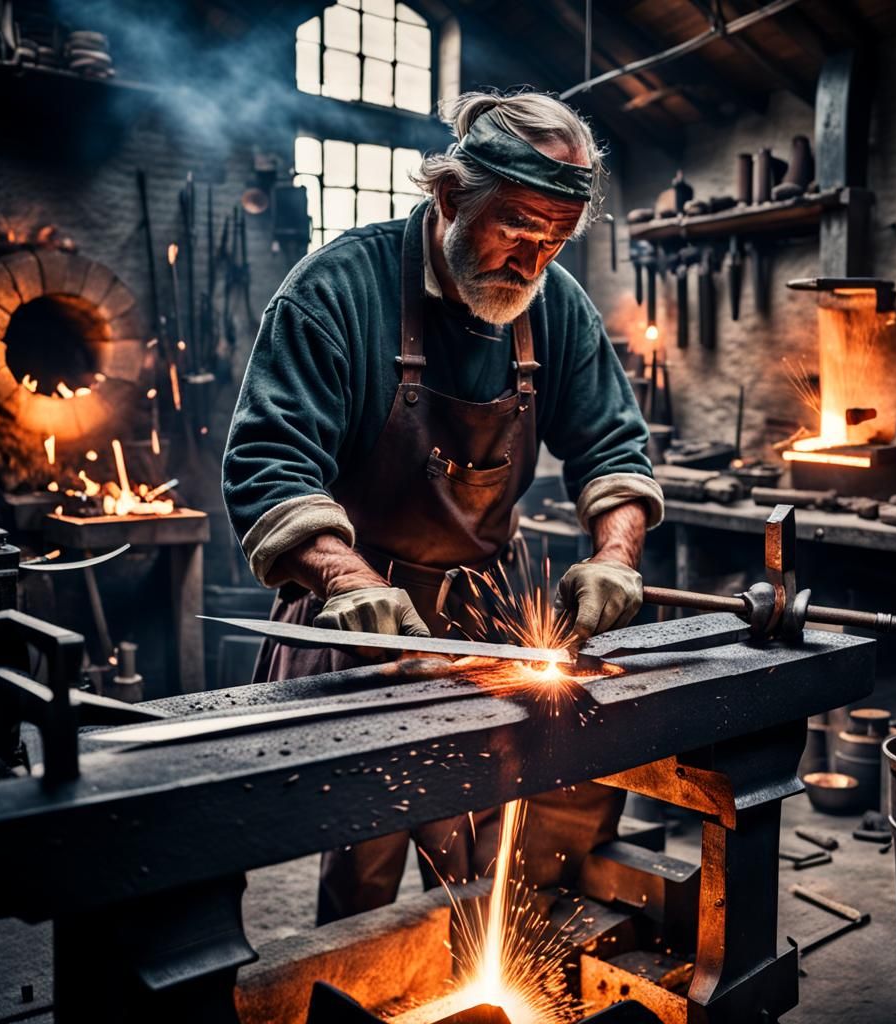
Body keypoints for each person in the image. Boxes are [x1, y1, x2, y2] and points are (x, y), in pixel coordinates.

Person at [222, 89, 665, 924]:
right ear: (452, 196)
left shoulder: (554, 306)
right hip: (362, 623)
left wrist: (614, 555)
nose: (532, 264)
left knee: (485, 852)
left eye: (554, 242)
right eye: (517, 231)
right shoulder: (336, 290)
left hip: (489, 621)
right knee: (367, 855)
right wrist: (348, 581)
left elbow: (615, 450)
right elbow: (268, 465)